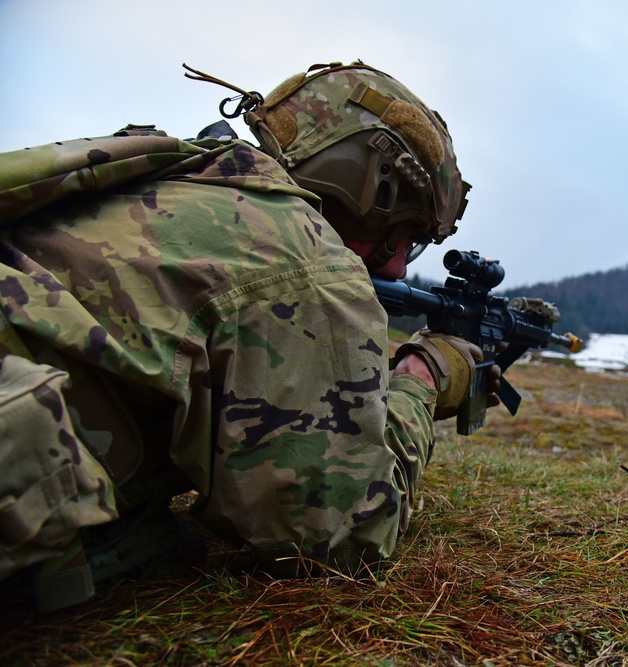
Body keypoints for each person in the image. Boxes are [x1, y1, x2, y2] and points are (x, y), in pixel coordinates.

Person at [0, 61, 483, 611]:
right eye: (407, 234)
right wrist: (422, 377)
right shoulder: (298, 257)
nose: (398, 268)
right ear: (371, 184)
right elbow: (336, 534)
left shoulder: (162, 171)